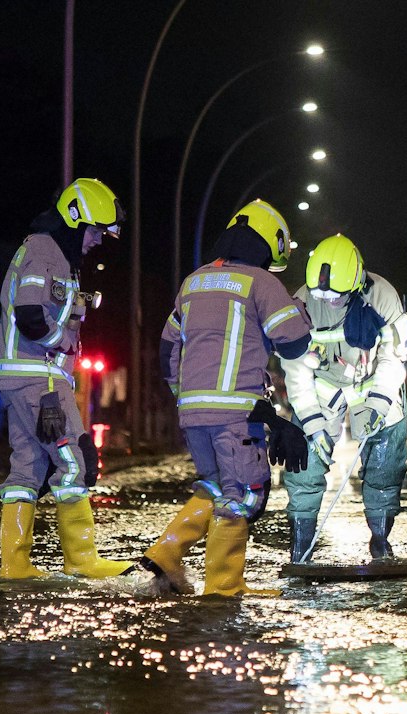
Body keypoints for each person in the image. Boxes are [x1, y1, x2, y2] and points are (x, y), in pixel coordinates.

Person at [134, 199, 313, 597]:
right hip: (236, 412)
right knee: (244, 494)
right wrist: (300, 312)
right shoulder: (262, 283)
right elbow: (295, 343)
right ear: (269, 244)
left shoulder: (193, 281)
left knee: (214, 486)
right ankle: (224, 586)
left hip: (193, 411)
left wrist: (185, 396)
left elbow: (167, 347)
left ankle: (167, 553)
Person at [0, 176, 131, 580]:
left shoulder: (51, 253)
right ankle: (82, 559)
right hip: (40, 381)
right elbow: (31, 315)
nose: (98, 241)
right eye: (95, 231)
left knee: (27, 471)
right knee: (75, 462)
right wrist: (64, 343)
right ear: (74, 219)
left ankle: (15, 565)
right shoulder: (45, 251)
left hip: (23, 378)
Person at [280, 233, 407, 562]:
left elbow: (393, 358)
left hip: (372, 385)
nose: (328, 300)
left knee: (385, 464)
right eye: (320, 293)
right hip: (323, 388)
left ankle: (381, 541)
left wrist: (379, 404)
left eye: (336, 294)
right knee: (304, 465)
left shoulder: (381, 296)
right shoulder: (302, 301)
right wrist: (311, 421)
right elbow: (295, 367)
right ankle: (300, 549)